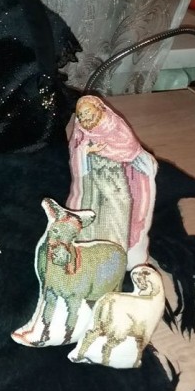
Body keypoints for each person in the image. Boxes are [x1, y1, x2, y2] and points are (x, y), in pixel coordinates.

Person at [67, 95, 157, 268]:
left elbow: (130, 149)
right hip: (92, 186)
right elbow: (75, 155)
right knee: (91, 214)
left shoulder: (117, 128)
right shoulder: (81, 134)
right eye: (81, 115)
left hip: (115, 183)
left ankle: (118, 251)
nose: (85, 118)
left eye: (87, 112)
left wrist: (144, 161)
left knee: (118, 211)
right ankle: (93, 251)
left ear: (99, 109)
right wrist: (86, 151)